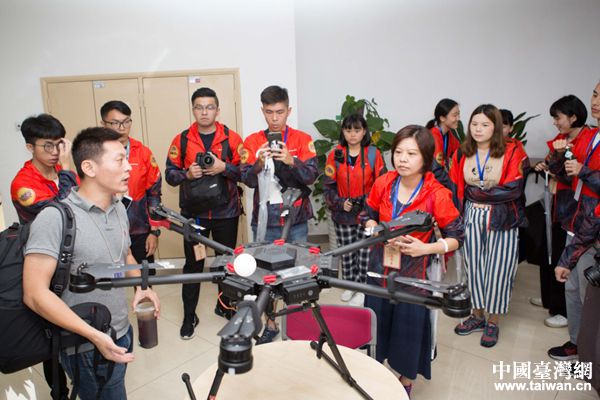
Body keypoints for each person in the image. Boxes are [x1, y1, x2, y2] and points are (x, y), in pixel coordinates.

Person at [22, 127, 160, 400]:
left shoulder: (118, 207)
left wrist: (141, 287)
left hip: (120, 328)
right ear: (89, 167)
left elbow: (125, 255)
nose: (129, 167)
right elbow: (34, 294)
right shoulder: (55, 218)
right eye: (119, 160)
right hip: (83, 342)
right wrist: (94, 336)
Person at [361, 125, 463, 396]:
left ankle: (406, 380)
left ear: (426, 158)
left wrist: (425, 248)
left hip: (414, 275)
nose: (402, 159)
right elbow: (367, 214)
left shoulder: (436, 193)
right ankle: (376, 372)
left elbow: (456, 237)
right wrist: (376, 230)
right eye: (398, 152)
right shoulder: (384, 182)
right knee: (376, 321)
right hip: (379, 267)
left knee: (408, 327)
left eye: (411, 154)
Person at [240, 85, 318, 343]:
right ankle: (271, 323)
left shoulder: (302, 139)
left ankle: (298, 324)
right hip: (265, 220)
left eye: (280, 112)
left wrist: (291, 161)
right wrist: (258, 164)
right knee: (265, 276)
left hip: (295, 218)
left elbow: (312, 176)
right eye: (269, 112)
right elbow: (246, 179)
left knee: (299, 273)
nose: (274, 118)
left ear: (289, 111)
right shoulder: (252, 141)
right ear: (262, 111)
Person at [165, 87, 244, 339]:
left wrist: (224, 167)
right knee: (193, 266)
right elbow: (169, 175)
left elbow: (247, 174)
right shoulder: (182, 140)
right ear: (193, 110)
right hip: (194, 215)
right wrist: (187, 174)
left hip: (226, 213)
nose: (204, 112)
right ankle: (189, 316)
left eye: (209, 107)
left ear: (217, 110)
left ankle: (226, 307)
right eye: (199, 107)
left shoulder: (232, 139)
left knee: (226, 264)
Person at [10, 113, 77, 399]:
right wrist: (69, 170)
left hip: (71, 260)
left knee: (75, 322)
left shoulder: (61, 171)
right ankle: (58, 391)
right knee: (52, 334)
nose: (54, 152)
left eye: (59, 143)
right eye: (46, 145)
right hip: (44, 266)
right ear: (30, 147)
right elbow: (62, 211)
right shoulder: (23, 185)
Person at [449, 104, 529, 348]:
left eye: (485, 124)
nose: (478, 129)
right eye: (474, 124)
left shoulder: (513, 149)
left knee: (498, 269)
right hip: (472, 215)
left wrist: (476, 192)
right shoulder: (462, 152)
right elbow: (456, 188)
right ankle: (477, 315)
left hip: (502, 217)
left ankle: (493, 321)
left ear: (496, 127)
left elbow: (514, 189)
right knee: (474, 267)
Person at [546, 84, 600, 361]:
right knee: (573, 286)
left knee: (588, 294)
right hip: (579, 220)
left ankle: (587, 355)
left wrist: (583, 170)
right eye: (596, 93)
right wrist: (561, 156)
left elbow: (583, 174)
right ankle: (577, 345)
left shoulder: (589, 135)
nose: (596, 101)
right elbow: (569, 175)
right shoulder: (592, 137)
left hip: (592, 227)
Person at [530, 95, 588, 329]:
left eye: (558, 118)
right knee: (549, 253)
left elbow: (572, 175)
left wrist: (556, 166)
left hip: (573, 211)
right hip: (556, 206)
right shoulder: (561, 139)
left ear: (573, 117)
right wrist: (546, 165)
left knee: (565, 258)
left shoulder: (587, 140)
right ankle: (550, 300)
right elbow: (554, 166)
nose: (555, 122)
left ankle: (563, 310)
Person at [323, 114, 386, 306]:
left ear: (364, 132)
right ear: (343, 132)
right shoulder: (335, 155)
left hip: (367, 213)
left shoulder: (373, 154)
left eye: (357, 130)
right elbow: (328, 186)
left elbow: (382, 184)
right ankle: (350, 285)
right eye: (348, 130)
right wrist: (340, 202)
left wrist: (369, 203)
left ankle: (363, 288)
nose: (352, 134)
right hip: (343, 213)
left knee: (365, 253)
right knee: (347, 252)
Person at [100, 101, 162, 267]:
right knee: (110, 279)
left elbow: (154, 194)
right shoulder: (95, 154)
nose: (122, 128)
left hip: (139, 230)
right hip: (106, 231)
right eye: (115, 123)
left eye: (126, 122)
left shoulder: (143, 153)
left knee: (144, 277)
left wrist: (154, 232)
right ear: (103, 124)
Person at [425, 98, 461, 189]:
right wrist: (453, 186)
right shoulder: (434, 136)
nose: (458, 118)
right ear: (442, 118)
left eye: (458, 114)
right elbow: (436, 171)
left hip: (440, 181)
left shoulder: (449, 135)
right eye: (454, 115)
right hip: (430, 185)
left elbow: (461, 153)